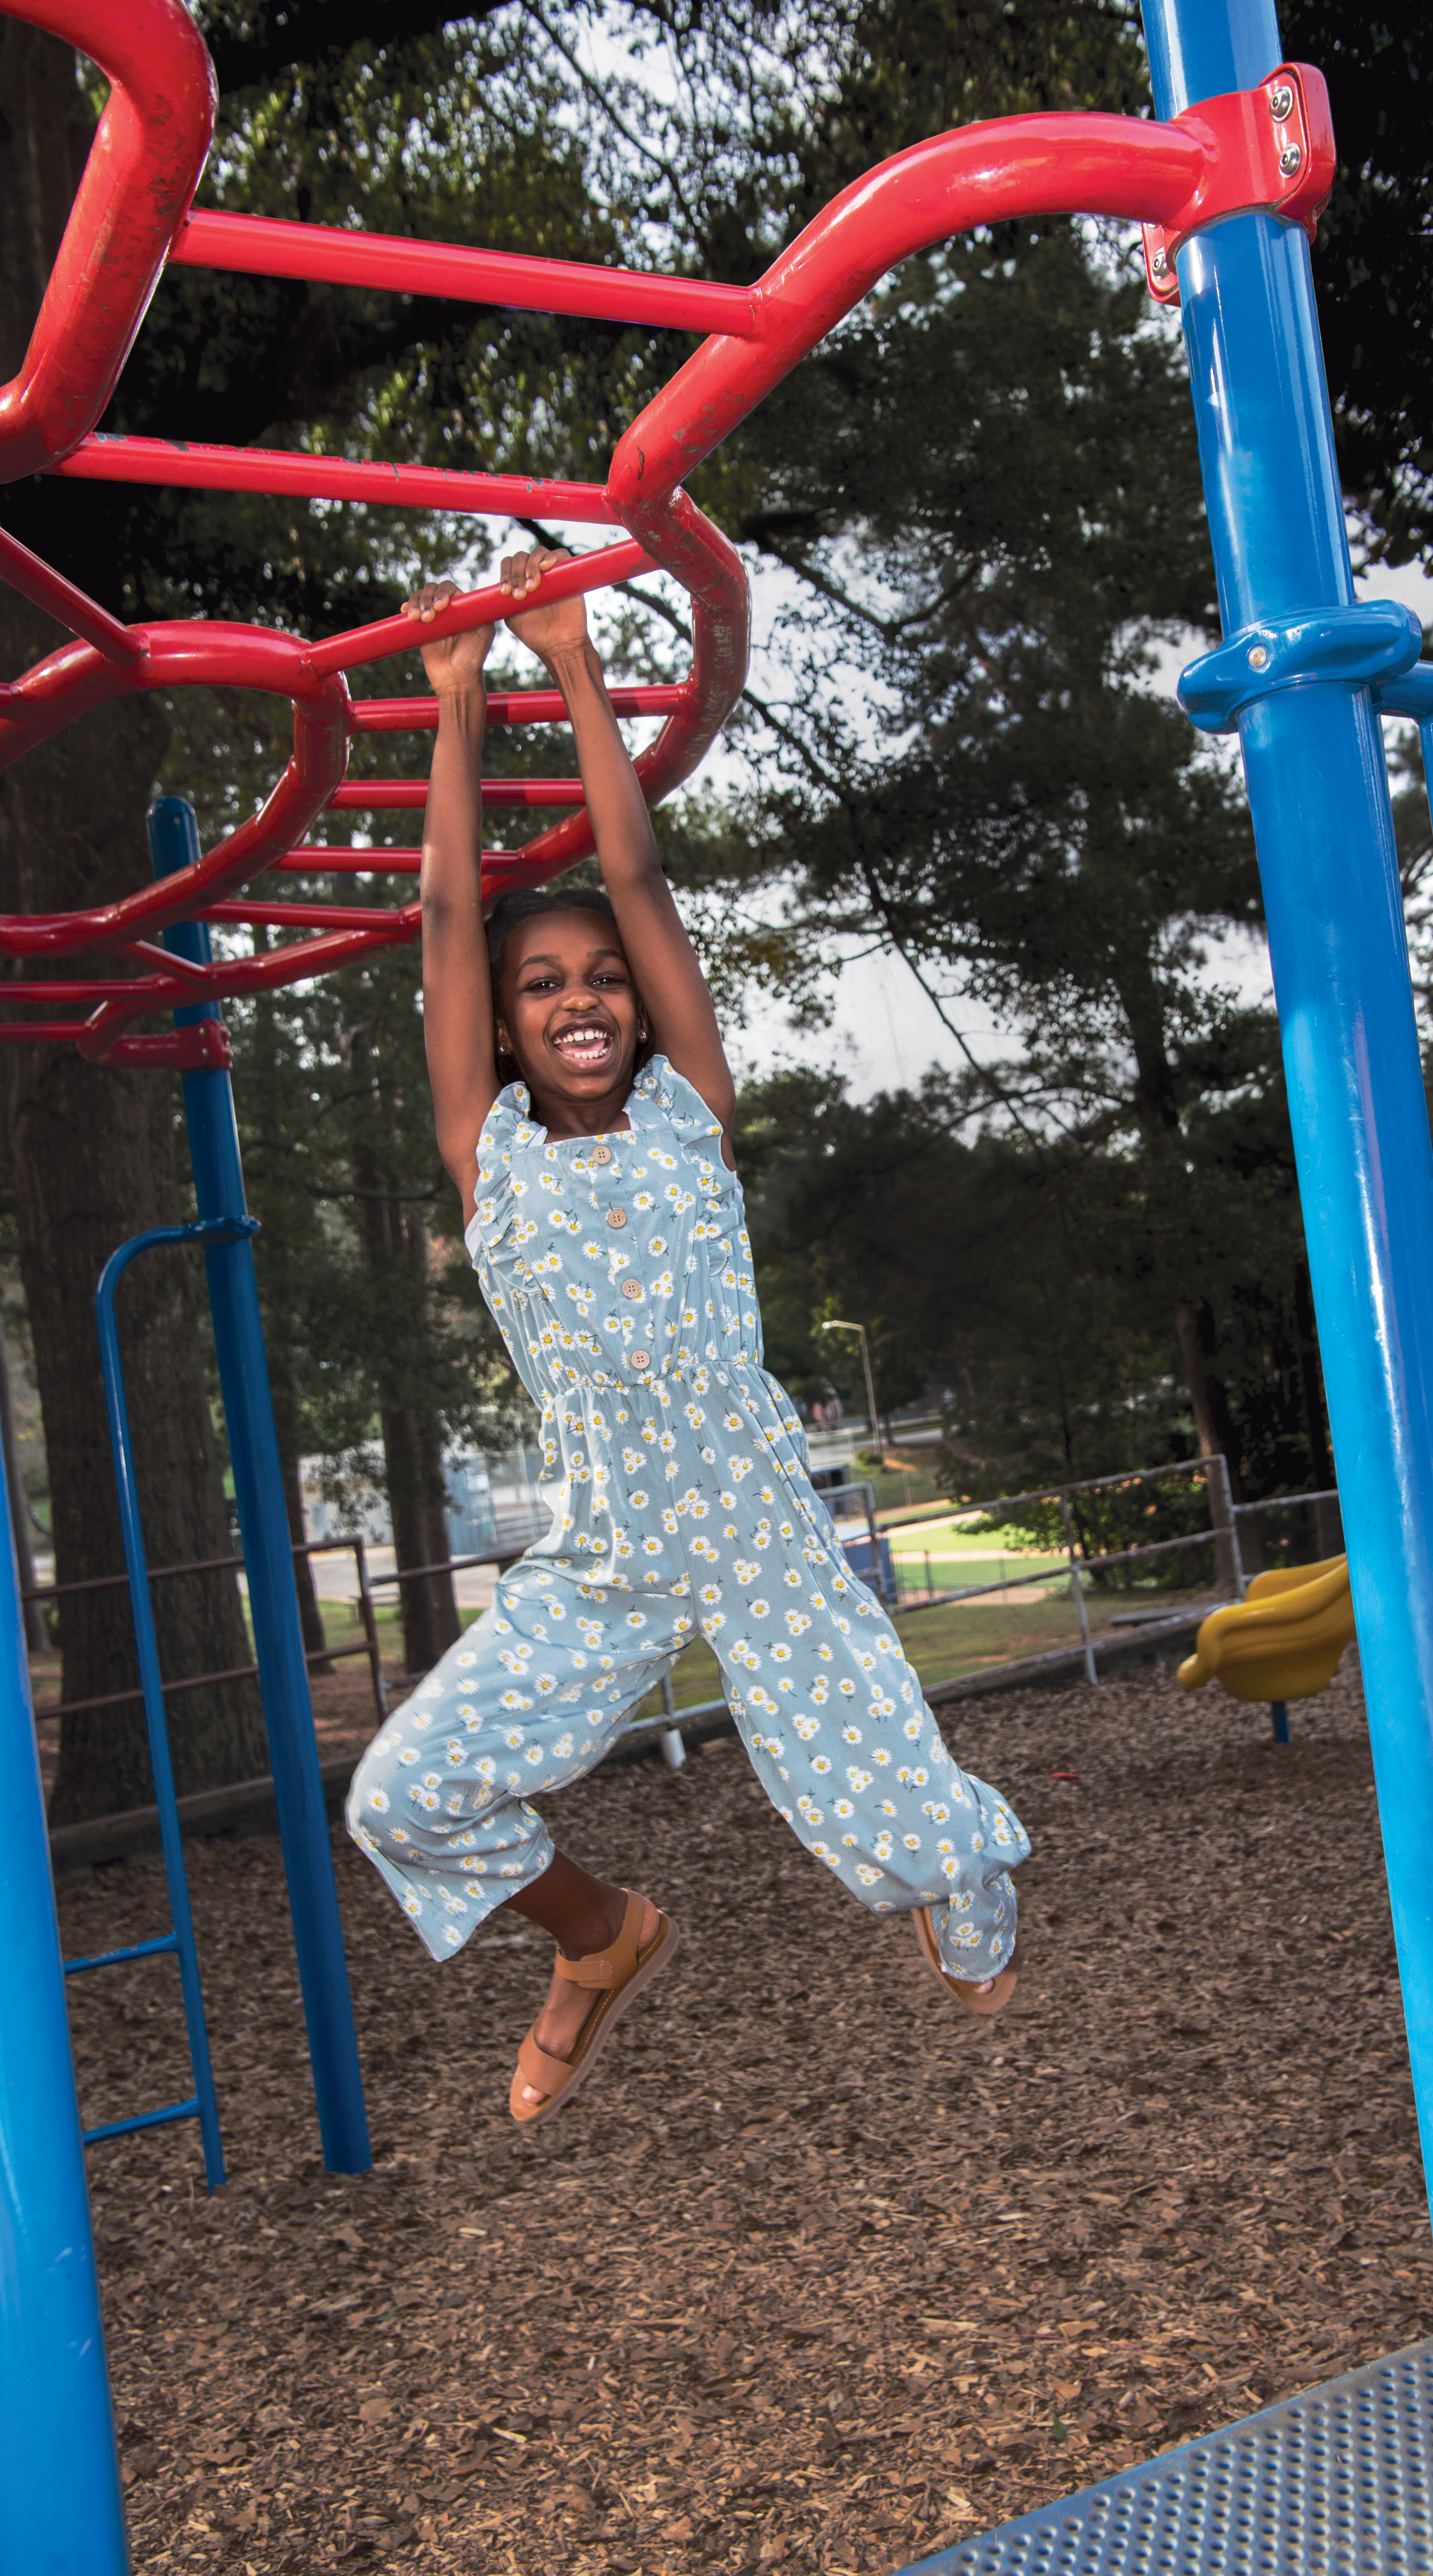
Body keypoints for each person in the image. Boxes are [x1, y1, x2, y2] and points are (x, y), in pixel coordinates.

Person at [345, 547, 1029, 2123]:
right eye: (541, 988)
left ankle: (961, 1871)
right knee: (406, 1795)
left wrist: (576, 663)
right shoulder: (485, 1156)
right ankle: (598, 1941)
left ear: (641, 1014)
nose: (577, 996)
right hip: (604, 1549)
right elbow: (447, 917)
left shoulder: (690, 1118)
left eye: (599, 982)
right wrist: (453, 708)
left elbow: (640, 882)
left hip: (757, 1524)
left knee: (899, 1812)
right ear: (508, 1027)